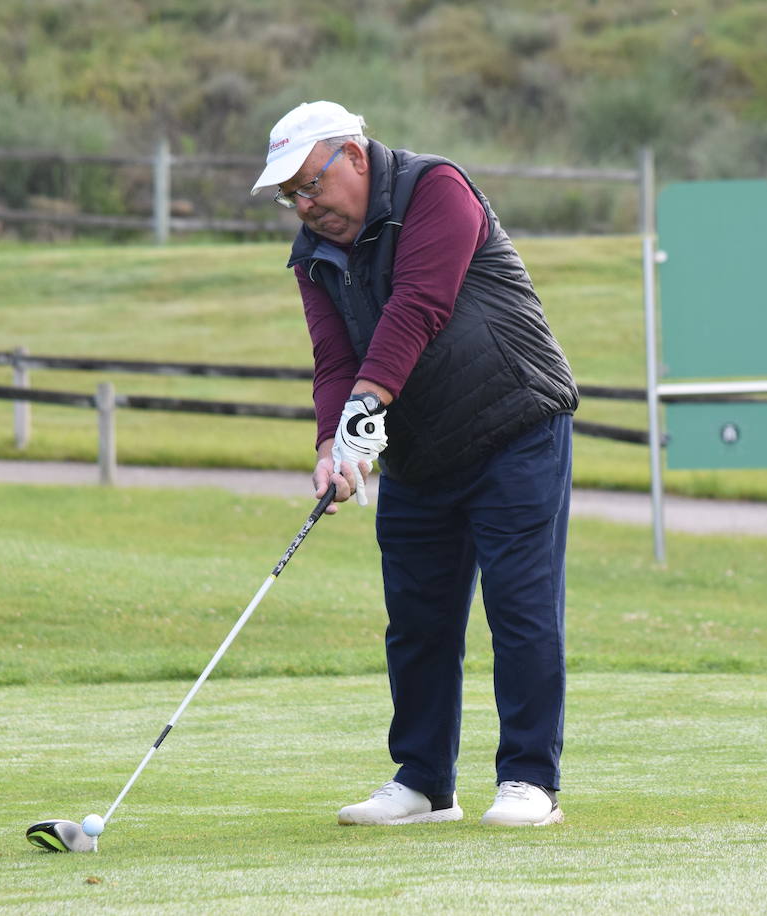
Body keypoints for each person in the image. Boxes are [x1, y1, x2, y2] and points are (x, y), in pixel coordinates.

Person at [250, 101, 579, 827]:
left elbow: (419, 305)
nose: (305, 207)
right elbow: (334, 356)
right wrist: (332, 447)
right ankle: (425, 782)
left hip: (514, 421)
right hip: (421, 446)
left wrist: (365, 412)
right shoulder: (313, 254)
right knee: (417, 620)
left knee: (519, 608)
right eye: (290, 197)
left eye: (311, 185)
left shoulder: (438, 190)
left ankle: (530, 780)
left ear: (355, 157)